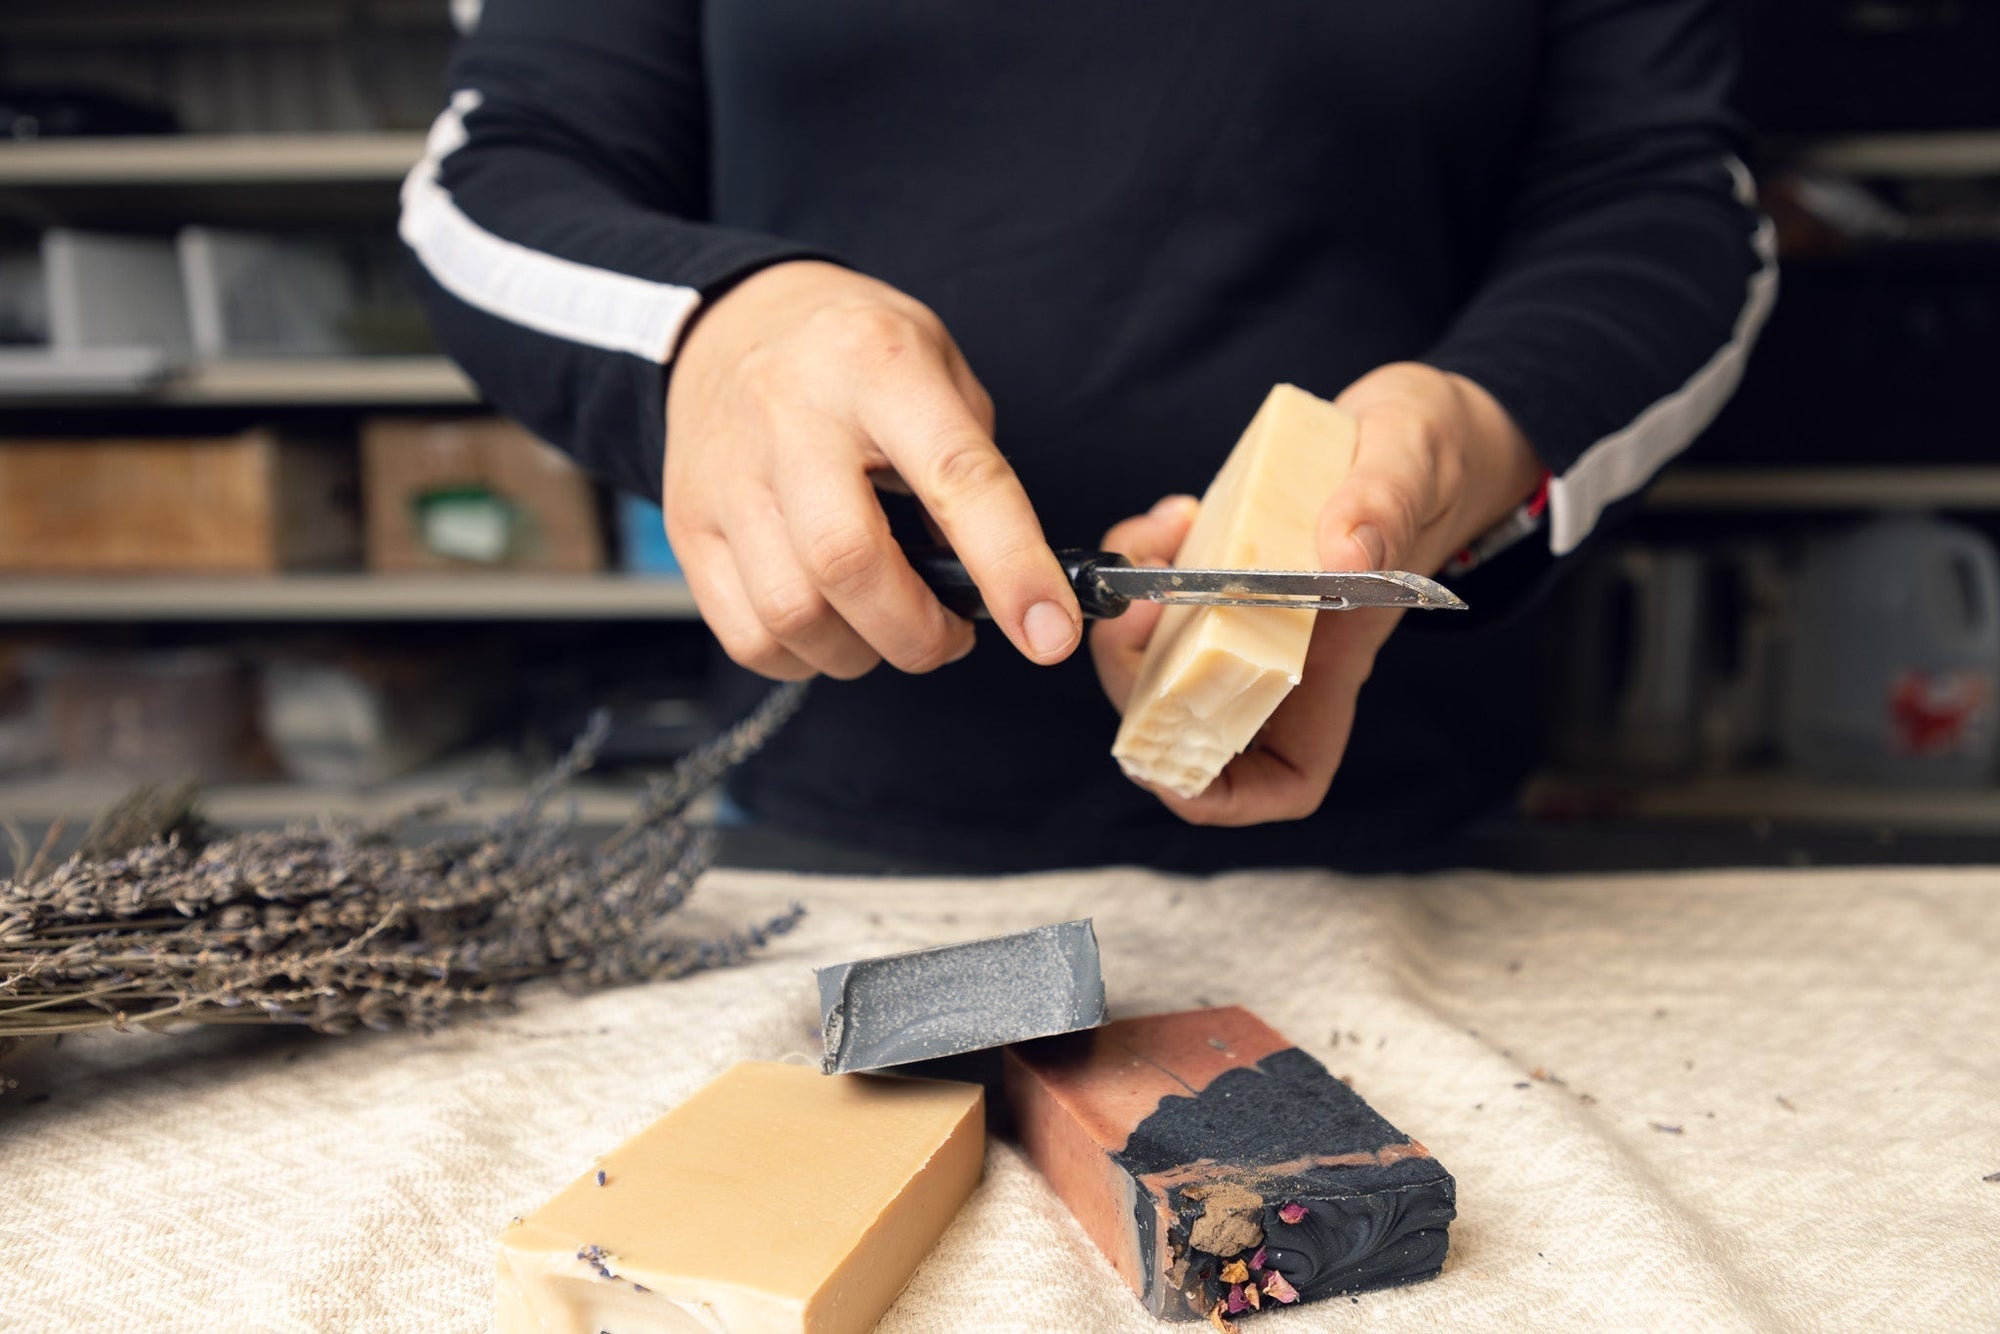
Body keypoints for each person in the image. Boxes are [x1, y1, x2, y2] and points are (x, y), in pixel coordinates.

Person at [403, 0, 1774, 872]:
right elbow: (492, 175)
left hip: (1420, 831)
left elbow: (1671, 202)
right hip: (836, 825)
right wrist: (714, 331)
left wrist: (1473, 429)